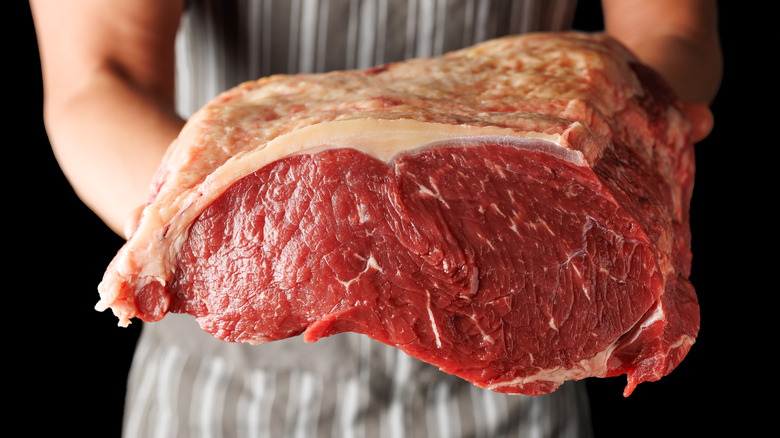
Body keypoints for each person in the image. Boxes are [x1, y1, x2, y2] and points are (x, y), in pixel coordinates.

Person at [30, 1, 722, 436]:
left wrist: (639, 118)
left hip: (512, 353)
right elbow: (99, 75)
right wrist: (226, 243)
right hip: (229, 388)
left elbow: (672, 29)